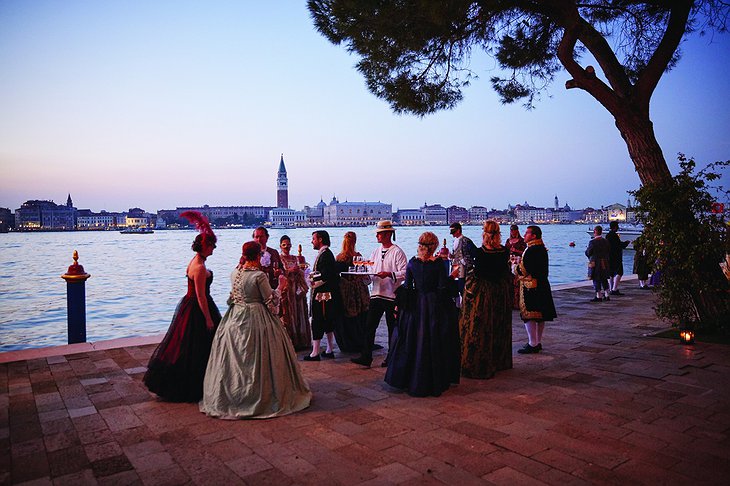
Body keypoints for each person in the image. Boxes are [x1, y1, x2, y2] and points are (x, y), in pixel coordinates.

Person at [200, 241, 311, 419]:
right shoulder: (258, 276)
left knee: (236, 358)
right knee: (258, 358)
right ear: (259, 255)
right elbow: (272, 305)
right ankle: (262, 394)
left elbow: (232, 299)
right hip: (257, 319)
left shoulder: (235, 272)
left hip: (234, 318)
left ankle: (234, 395)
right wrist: (281, 286)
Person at [144, 211, 221, 402]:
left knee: (185, 347)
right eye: (212, 246)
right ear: (205, 246)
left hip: (188, 305)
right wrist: (209, 319)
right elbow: (201, 296)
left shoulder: (194, 261)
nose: (213, 250)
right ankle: (198, 386)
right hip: (198, 307)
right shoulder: (201, 268)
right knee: (201, 348)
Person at [385, 232, 460, 396]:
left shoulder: (412, 263)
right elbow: (442, 287)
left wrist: (400, 307)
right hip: (433, 305)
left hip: (416, 305)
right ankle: (432, 379)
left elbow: (407, 287)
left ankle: (409, 377)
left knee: (412, 338)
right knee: (433, 338)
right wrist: (453, 277)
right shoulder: (439, 264)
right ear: (434, 246)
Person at [459, 220, 513, 379]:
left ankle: (478, 363)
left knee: (481, 327)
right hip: (501, 291)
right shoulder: (504, 251)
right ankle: (499, 361)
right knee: (499, 324)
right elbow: (504, 271)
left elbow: (479, 273)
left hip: (484, 293)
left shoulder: (481, 252)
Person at [351, 220, 408, 368]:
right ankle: (366, 356)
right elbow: (371, 274)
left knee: (391, 327)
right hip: (376, 294)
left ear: (388, 234)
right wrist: (364, 276)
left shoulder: (397, 252)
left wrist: (389, 274)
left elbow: (405, 273)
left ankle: (391, 357)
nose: (377, 236)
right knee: (369, 326)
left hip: (391, 295)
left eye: (379, 234)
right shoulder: (375, 252)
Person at [516, 225, 557, 354]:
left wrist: (514, 267)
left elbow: (524, 269)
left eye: (527, 233)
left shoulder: (532, 250)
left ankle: (532, 343)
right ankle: (537, 342)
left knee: (529, 314)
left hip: (532, 286)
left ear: (533, 235)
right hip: (542, 284)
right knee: (540, 315)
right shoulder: (541, 248)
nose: (524, 235)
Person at [304, 230, 341, 361]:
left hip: (322, 294)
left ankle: (315, 352)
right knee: (327, 321)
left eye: (313, 239)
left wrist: (310, 278)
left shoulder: (325, 255)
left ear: (320, 239)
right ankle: (329, 349)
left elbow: (326, 275)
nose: (312, 241)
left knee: (318, 320)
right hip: (326, 293)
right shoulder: (325, 254)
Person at [334, 231, 370, 352]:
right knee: (360, 314)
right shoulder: (358, 256)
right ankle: (361, 339)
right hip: (359, 289)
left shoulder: (339, 258)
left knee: (348, 315)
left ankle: (348, 341)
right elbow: (365, 273)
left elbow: (336, 275)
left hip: (345, 289)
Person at [278, 235, 312, 350]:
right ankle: (291, 342)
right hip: (287, 290)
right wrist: (290, 271)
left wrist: (300, 271)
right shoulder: (279, 259)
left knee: (300, 312)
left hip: (297, 288)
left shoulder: (295, 258)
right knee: (289, 314)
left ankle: (302, 341)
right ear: (280, 246)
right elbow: (280, 273)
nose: (286, 247)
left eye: (288, 244)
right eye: (284, 245)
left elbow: (302, 270)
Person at [448, 222, 476, 306]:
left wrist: (466, 260)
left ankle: (466, 304)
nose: (452, 235)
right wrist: (452, 256)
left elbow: (474, 253)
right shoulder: (455, 241)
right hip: (456, 268)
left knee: (463, 287)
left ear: (458, 230)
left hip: (465, 268)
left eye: (454, 232)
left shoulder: (466, 241)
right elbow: (456, 253)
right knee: (457, 287)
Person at [504, 224, 527, 310]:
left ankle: (518, 302)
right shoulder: (508, 240)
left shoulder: (522, 241)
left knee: (517, 283)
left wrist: (516, 250)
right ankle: (510, 302)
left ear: (517, 231)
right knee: (509, 282)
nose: (513, 232)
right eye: (511, 230)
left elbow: (525, 253)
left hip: (518, 262)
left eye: (514, 230)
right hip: (509, 262)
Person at [586, 226, 611, 302]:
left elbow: (589, 252)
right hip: (604, 262)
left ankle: (598, 295)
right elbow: (608, 251)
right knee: (604, 278)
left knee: (596, 279)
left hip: (595, 263)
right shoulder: (606, 241)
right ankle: (607, 294)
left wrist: (587, 252)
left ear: (595, 231)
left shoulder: (592, 242)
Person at [606, 221, 630, 295]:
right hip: (616, 256)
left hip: (609, 256)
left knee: (611, 273)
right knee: (619, 272)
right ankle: (614, 289)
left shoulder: (608, 235)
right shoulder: (615, 236)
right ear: (615, 227)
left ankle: (611, 288)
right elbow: (619, 245)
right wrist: (626, 243)